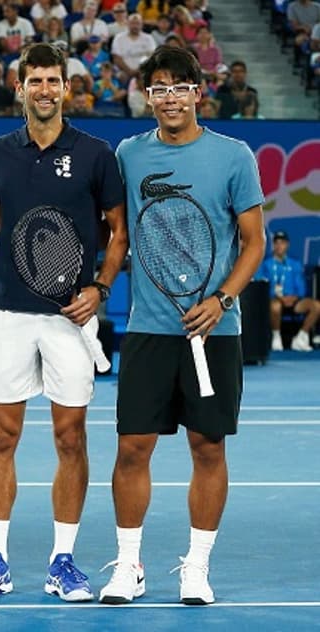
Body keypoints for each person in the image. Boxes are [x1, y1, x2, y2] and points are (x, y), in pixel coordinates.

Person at [0, 42, 128, 603]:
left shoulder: (97, 153)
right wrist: (8, 269)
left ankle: (63, 562)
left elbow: (117, 232)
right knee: (1, 436)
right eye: (35, 81)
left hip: (69, 321)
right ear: (20, 87)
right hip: (9, 315)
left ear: (66, 87)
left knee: (70, 438)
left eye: (53, 81)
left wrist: (99, 289)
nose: (45, 90)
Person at [100, 45, 265, 606]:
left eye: (180, 87)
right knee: (132, 449)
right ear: (148, 98)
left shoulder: (234, 156)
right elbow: (115, 231)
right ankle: (127, 566)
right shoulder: (128, 154)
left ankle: (196, 567)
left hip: (214, 330)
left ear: (198, 92)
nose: (170, 98)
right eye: (159, 89)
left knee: (208, 447)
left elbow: (254, 241)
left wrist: (221, 299)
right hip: (148, 329)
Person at [258, 231, 319, 352]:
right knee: (275, 306)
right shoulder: (266, 264)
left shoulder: (295, 264)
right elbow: (263, 286)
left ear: (287, 245)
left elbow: (301, 288)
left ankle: (301, 337)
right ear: (273, 245)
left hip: (294, 301)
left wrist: (294, 298)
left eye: (283, 243)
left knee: (316, 306)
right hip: (275, 300)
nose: (280, 246)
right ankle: (276, 337)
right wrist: (280, 298)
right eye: (277, 243)